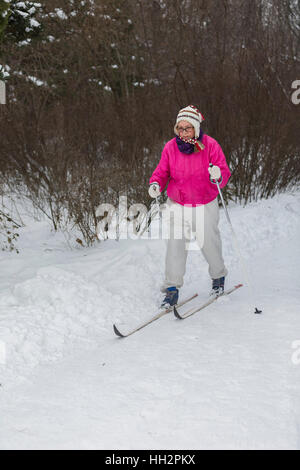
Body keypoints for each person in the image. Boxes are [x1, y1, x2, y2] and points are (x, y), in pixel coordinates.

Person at [148, 105, 231, 308]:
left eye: (188, 128)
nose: (184, 133)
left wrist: (218, 175)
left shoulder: (210, 145)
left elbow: (223, 171)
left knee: (209, 243)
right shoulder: (170, 147)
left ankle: (218, 278)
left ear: (196, 127)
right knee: (175, 246)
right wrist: (156, 183)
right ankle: (171, 289)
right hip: (177, 202)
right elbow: (162, 171)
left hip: (204, 202)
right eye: (180, 128)